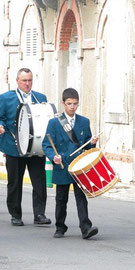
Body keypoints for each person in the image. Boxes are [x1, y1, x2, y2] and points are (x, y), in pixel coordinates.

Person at [0, 68, 51, 227]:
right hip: (14, 146)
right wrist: (0, 127)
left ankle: (39, 214)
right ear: (17, 81)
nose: (27, 83)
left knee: (39, 181)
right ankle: (15, 214)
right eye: (24, 80)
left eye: (30, 80)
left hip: (36, 147)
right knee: (14, 182)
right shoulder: (6, 98)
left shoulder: (40, 98)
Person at [42, 88, 99, 239]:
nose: (72, 107)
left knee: (81, 197)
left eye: (75, 104)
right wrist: (54, 156)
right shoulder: (54, 123)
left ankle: (86, 227)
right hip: (62, 165)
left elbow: (86, 146)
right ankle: (60, 227)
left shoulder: (84, 121)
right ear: (63, 103)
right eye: (69, 104)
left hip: (79, 166)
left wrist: (92, 143)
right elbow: (46, 145)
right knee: (61, 198)